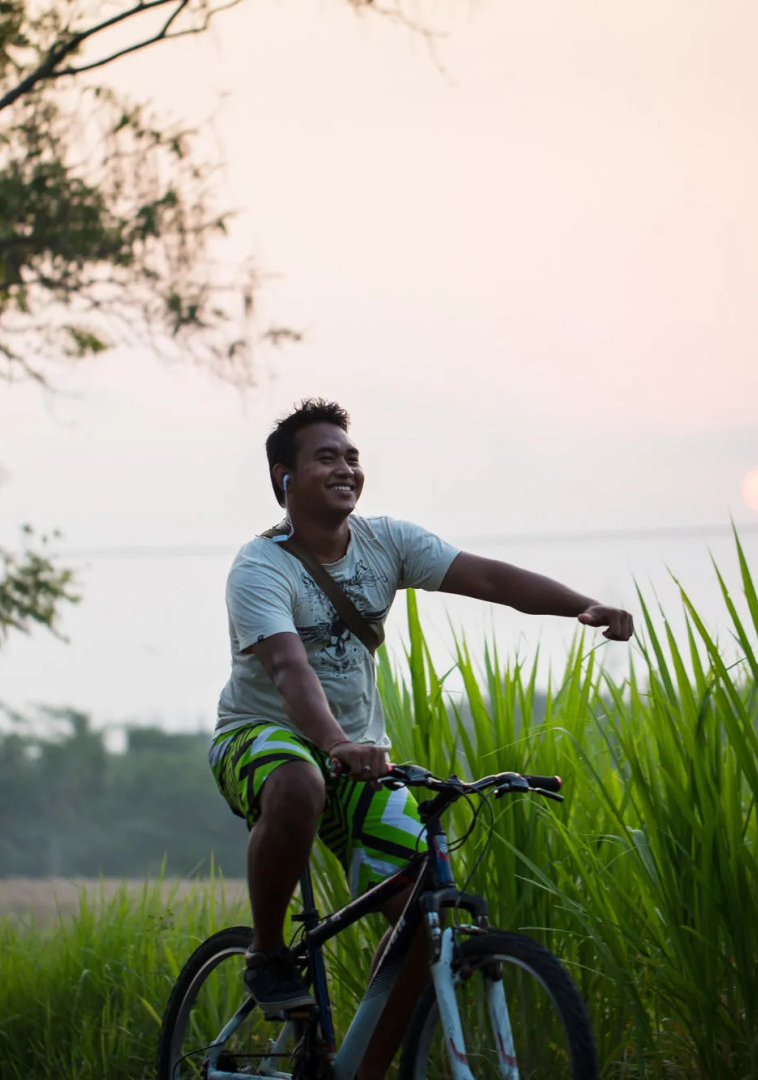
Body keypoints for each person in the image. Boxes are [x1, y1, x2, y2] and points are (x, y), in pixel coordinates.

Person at [208, 398, 634, 1080]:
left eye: (352, 456)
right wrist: (337, 742)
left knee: (423, 924)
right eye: (326, 457)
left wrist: (580, 604)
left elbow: (490, 578)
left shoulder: (388, 543)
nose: (346, 467)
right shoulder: (260, 569)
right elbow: (289, 670)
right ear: (285, 478)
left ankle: (356, 1068)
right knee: (299, 780)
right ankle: (266, 954)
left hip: (358, 755)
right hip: (262, 738)